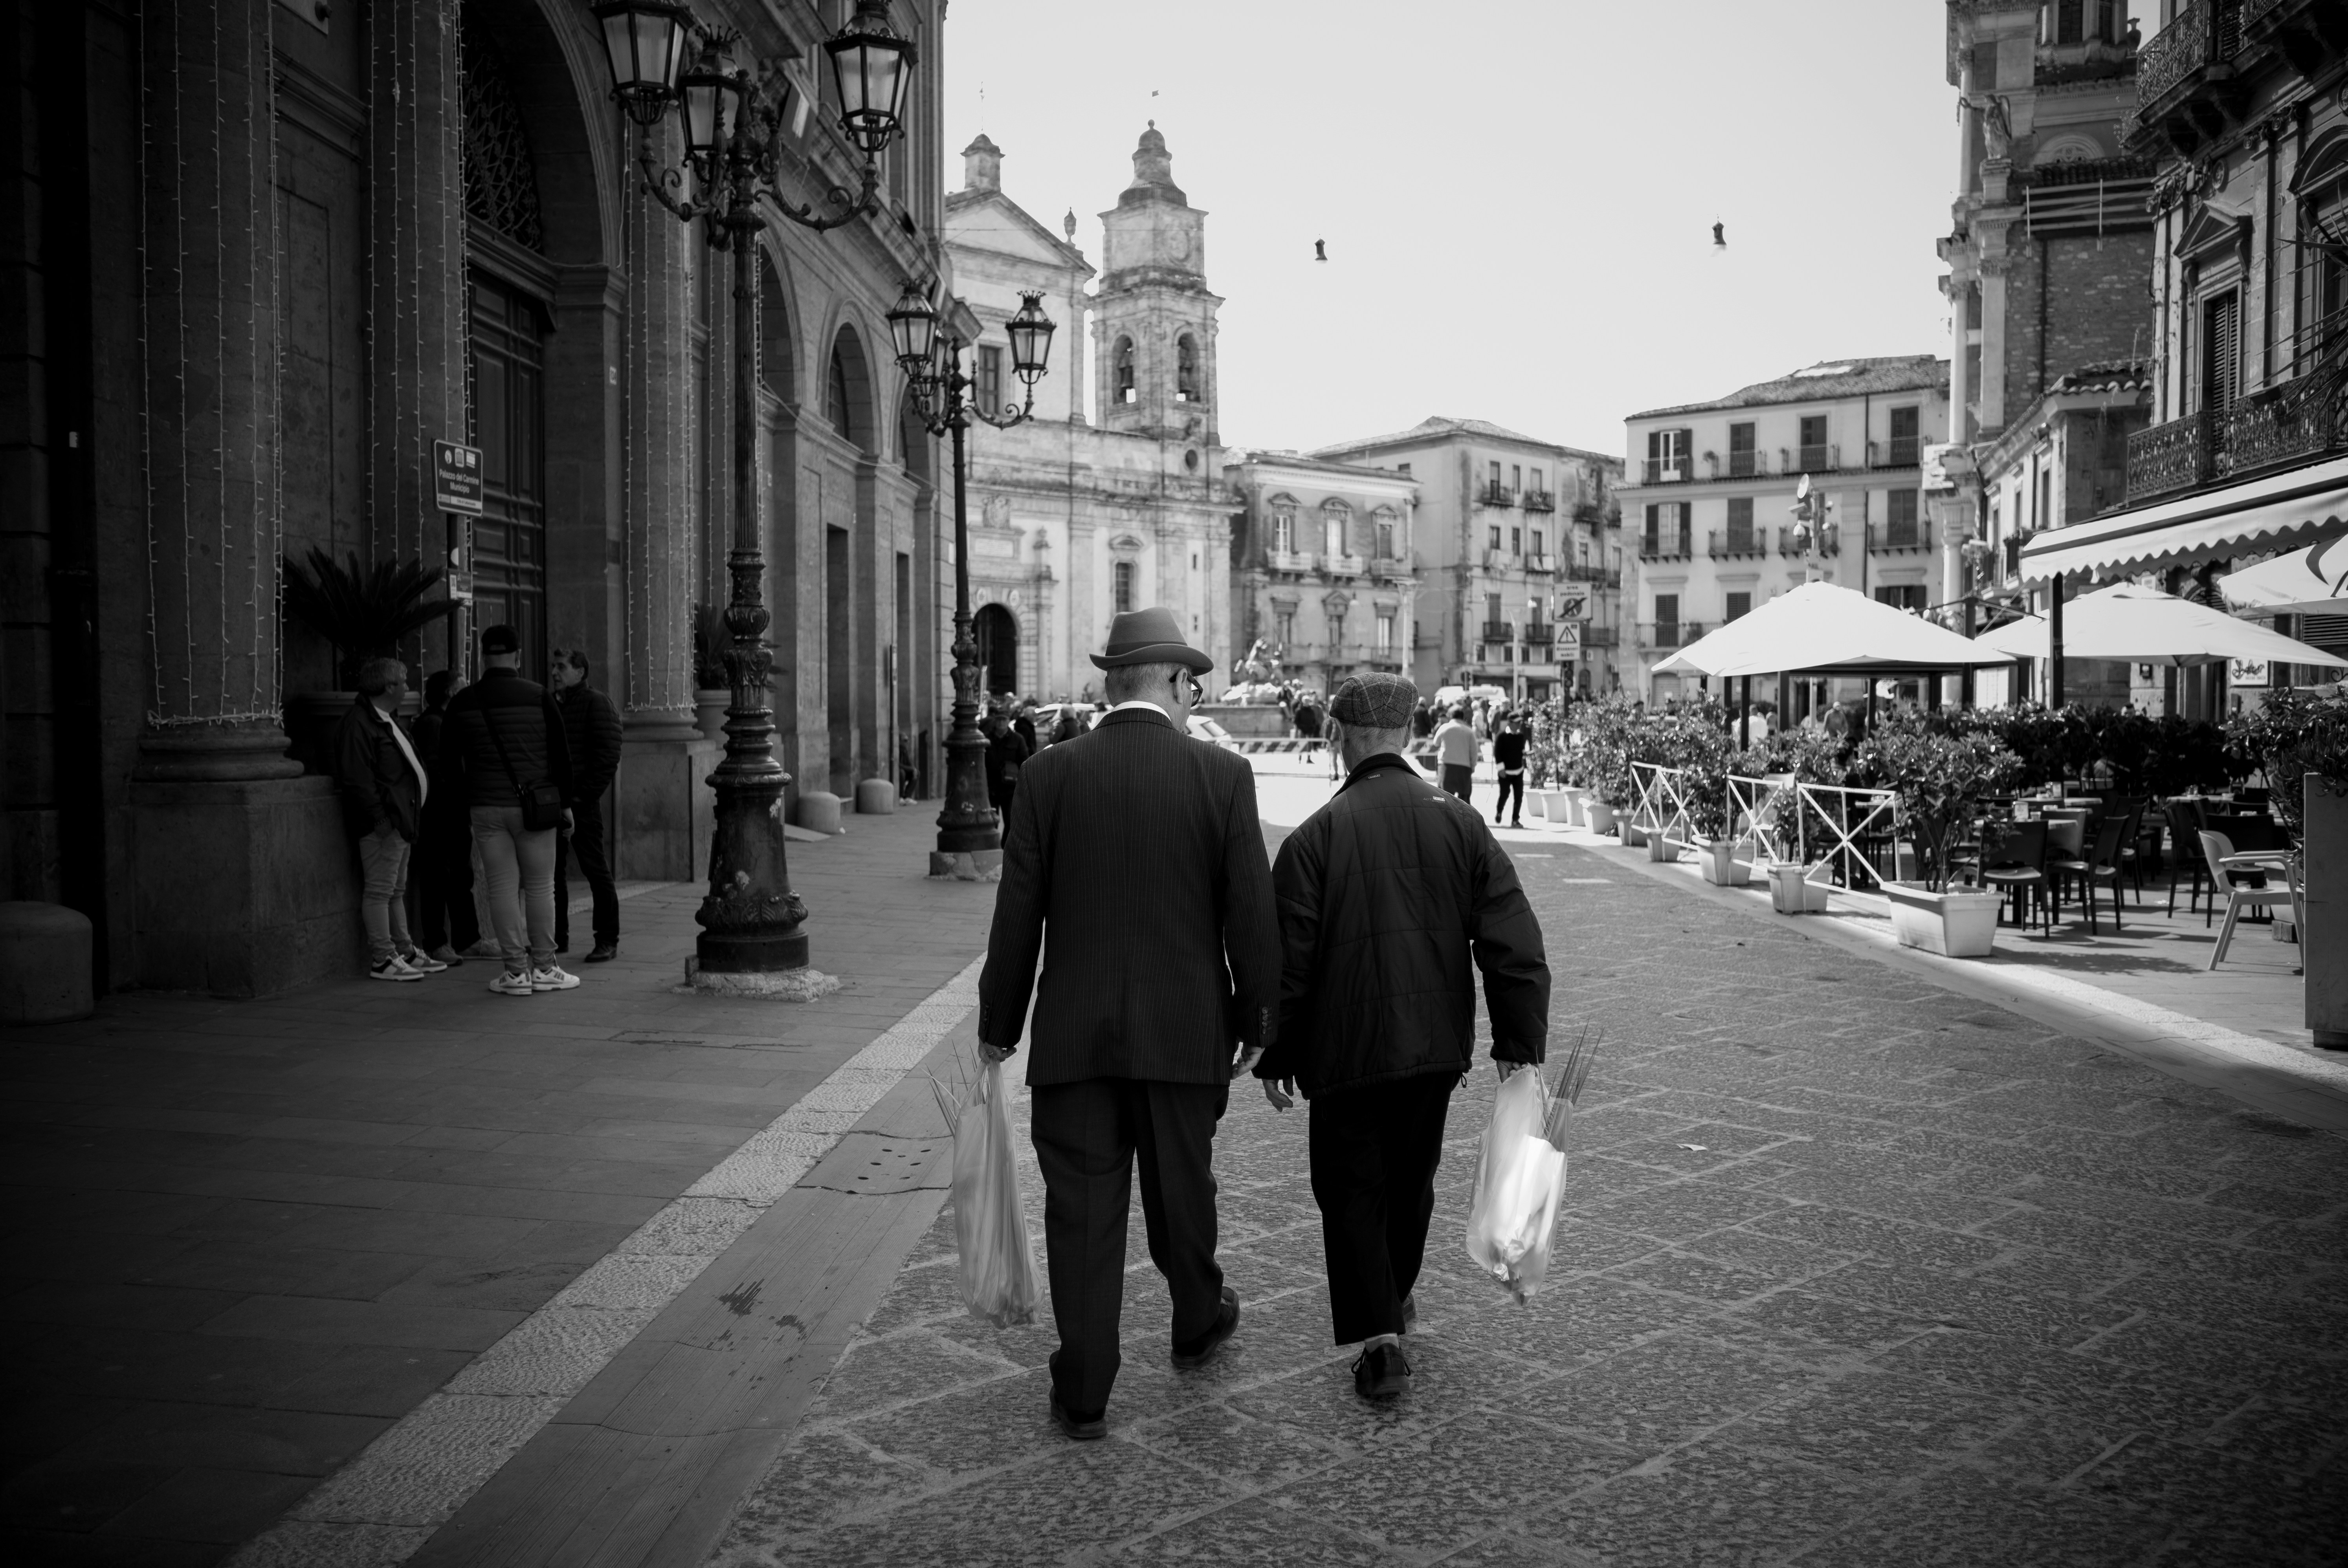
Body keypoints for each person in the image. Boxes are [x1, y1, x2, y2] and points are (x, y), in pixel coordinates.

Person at [977, 605, 1280, 1441]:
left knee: (1080, 1211)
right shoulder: (1222, 777)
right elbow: (1251, 913)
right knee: (1184, 1191)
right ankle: (1194, 1319)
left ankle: (1084, 1387)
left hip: (1075, 1035)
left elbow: (1018, 917)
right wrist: (1259, 1016)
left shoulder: (1048, 774)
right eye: (1193, 686)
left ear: (1112, 682)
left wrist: (999, 1022)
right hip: (1185, 1034)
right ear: (1178, 683)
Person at [1257, 671, 1550, 1401]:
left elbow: (1286, 966)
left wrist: (1276, 1051)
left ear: (1344, 738)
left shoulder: (1314, 838)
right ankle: (1395, 1293)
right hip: (1431, 1048)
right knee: (1411, 1180)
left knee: (1351, 1186)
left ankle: (1381, 1339)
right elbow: (1512, 937)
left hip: (1344, 1051)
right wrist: (1519, 1038)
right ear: (1408, 737)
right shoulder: (1459, 821)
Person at [445, 625, 578, 996]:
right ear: (518, 657)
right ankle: (546, 968)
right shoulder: (539, 696)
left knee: (501, 887)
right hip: (535, 807)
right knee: (540, 887)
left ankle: (516, 973)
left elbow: (448, 763)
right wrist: (566, 804)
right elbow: (561, 757)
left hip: (486, 808)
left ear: (483, 658)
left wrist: (465, 802)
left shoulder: (463, 702)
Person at [332, 657, 442, 982]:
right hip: (386, 824)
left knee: (396, 889)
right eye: (405, 681)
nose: (409, 687)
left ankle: (404, 950)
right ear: (389, 687)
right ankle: (383, 958)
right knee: (381, 891)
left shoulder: (384, 718)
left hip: (402, 821)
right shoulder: (360, 723)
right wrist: (380, 818)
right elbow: (356, 778)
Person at [550, 646, 624, 962]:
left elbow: (608, 756)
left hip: (581, 805)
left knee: (595, 870)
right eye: (554, 667)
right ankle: (556, 938)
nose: (555, 673)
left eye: (561, 667)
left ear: (580, 672)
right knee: (552, 876)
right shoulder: (552, 704)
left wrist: (582, 797)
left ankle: (607, 939)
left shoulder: (596, 703)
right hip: (552, 804)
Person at [411, 670, 482, 965]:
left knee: (461, 878)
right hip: (440, 816)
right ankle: (436, 943)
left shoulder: (449, 722)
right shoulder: (432, 724)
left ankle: (469, 940)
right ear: (452, 694)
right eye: (464, 687)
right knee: (437, 879)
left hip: (456, 813)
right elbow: (436, 774)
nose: (468, 692)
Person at [983, 706, 1033, 820]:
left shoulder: (1018, 739)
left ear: (1008, 722)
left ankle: (1006, 839)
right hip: (991, 787)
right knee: (990, 820)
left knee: (1010, 821)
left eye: (1004, 720)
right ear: (995, 721)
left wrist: (1024, 783)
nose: (1001, 723)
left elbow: (1024, 761)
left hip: (1010, 788)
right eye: (999, 720)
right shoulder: (986, 739)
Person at [1491, 710, 1530, 828]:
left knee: (1519, 796)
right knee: (1505, 794)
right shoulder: (1501, 736)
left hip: (1518, 771)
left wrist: (1525, 754)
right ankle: (1499, 812)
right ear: (1510, 723)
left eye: (1520, 723)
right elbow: (1497, 753)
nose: (1519, 725)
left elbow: (1520, 750)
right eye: (1517, 723)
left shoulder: (1521, 736)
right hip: (1505, 772)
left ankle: (1515, 820)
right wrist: (1501, 769)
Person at [1434, 704, 1477, 805]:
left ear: (1451, 717)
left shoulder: (1444, 728)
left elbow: (1436, 743)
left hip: (1446, 766)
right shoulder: (1469, 731)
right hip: (1464, 768)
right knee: (1464, 802)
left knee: (1443, 799)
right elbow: (1474, 752)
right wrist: (1473, 767)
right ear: (1463, 718)